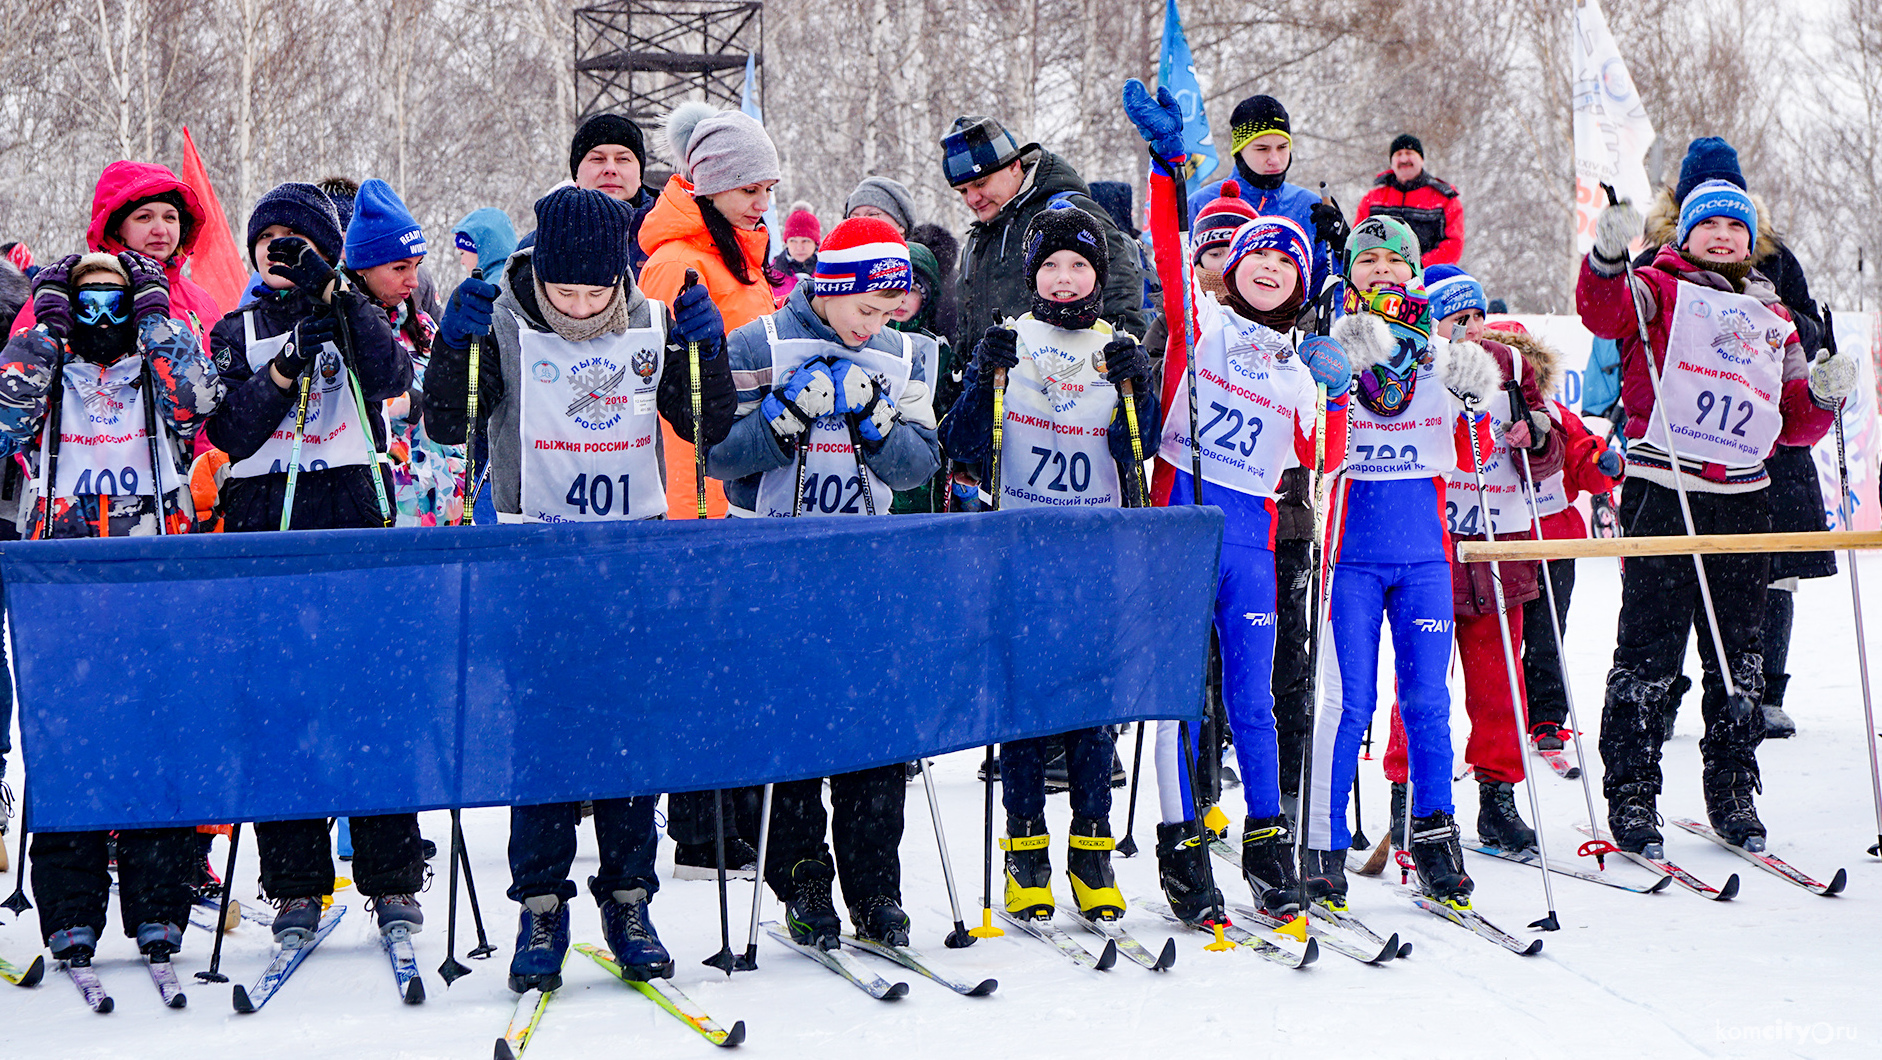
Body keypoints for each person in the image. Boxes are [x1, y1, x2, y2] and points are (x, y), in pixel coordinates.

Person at [423, 185, 733, 987]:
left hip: (628, 563)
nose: (584, 305)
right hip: (535, 563)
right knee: (547, 742)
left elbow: (708, 426)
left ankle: (629, 896)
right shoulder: (505, 320)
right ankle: (540, 906)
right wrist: (453, 351)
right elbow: (446, 425)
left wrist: (709, 354)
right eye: (567, 290)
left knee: (631, 738)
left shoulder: (647, 321)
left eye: (599, 291)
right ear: (542, 272)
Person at [1127, 83, 1353, 921]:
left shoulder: (1299, 368)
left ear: (1298, 280)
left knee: (1253, 700)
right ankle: (1184, 849)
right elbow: (1163, 237)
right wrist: (1166, 167)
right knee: (1182, 695)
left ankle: (1267, 841)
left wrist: (1334, 395)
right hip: (1181, 534)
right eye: (1256, 252)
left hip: (1252, 547)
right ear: (1232, 269)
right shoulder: (1201, 326)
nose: (1267, 262)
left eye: (1285, 258)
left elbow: (1316, 462)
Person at [1579, 181, 1852, 853]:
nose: (1724, 234)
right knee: (1650, 649)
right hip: (1662, 485)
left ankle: (1732, 786)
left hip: (1742, 494)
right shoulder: (1657, 286)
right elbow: (1602, 311)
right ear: (1684, 232)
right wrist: (1609, 256)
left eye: (1737, 224)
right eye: (1710, 225)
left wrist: (1821, 394)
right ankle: (1633, 792)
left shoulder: (1773, 313)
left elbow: (1792, 424)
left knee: (1739, 656)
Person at [705, 216, 940, 946]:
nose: (878, 324)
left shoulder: (906, 355)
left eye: (890, 310)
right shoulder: (758, 344)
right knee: (793, 731)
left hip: (866, 574)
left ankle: (876, 890)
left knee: (873, 737)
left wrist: (874, 420)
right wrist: (782, 417)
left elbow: (917, 466)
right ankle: (803, 879)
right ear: (831, 290)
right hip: (770, 570)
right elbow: (719, 457)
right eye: (866, 309)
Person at [204, 182, 422, 942]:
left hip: (353, 506)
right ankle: (296, 882)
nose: (282, 253)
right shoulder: (236, 328)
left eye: (299, 243)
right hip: (268, 516)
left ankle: (392, 875)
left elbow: (394, 378)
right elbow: (228, 431)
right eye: (271, 241)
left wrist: (334, 297)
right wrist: (282, 371)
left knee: (371, 698)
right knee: (282, 704)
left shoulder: (354, 308)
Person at [937, 201, 1158, 923]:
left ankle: (1091, 851)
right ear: (1034, 274)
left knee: (1092, 709)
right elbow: (964, 443)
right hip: (1021, 544)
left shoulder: (1113, 343)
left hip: (1093, 551)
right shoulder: (1009, 339)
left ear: (1097, 275)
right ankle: (1024, 851)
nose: (1064, 279)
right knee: (1025, 708)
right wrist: (981, 380)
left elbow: (1138, 451)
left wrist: (1137, 387)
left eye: (1079, 266)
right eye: (1052, 266)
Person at [1, 250, 219, 967]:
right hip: (64, 582)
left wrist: (157, 316)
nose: (102, 317)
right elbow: (4, 418)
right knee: (68, 745)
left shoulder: (156, 368)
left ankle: (160, 905)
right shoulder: (49, 366)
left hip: (153, 573)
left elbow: (201, 399)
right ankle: (69, 909)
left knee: (156, 736)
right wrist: (47, 330)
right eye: (85, 301)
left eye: (114, 301)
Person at [1300, 215, 1499, 906]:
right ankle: (1322, 843)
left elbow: (1475, 459)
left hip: (1424, 560)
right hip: (1350, 557)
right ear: (1350, 270)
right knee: (1347, 703)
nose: (1382, 270)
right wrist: (1334, 381)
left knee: (1426, 703)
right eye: (1369, 260)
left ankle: (1435, 838)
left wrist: (1478, 402)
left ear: (1414, 271)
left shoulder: (1441, 351)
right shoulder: (1331, 339)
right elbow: (1319, 455)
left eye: (1395, 260)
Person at [1639, 137, 1833, 740]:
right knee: (1667, 588)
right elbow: (1623, 324)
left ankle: (1762, 692)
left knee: (1767, 575)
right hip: (1681, 446)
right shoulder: (1659, 261)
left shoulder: (1772, 258)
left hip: (1762, 447)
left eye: (1735, 211)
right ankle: (1660, 694)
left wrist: (1768, 322)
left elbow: (1806, 326)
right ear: (1683, 204)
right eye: (1708, 206)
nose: (1723, 230)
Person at [638, 98, 784, 875]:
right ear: (711, 185)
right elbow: (664, 387)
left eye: (768, 188)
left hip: (740, 481)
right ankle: (702, 828)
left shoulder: (740, 251)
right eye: (750, 189)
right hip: (692, 486)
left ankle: (735, 813)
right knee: (702, 659)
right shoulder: (677, 261)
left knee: (735, 656)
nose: (765, 202)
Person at [1378, 266, 1563, 852]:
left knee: (1499, 687)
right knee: (1421, 683)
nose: (1474, 330)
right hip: (1434, 553)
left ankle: (1498, 799)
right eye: (1458, 320)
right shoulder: (1420, 371)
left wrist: (1534, 436)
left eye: (1479, 317)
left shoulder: (1511, 371)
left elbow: (1548, 454)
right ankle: (1408, 795)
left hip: (1499, 553)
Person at [1491, 320, 1625, 763]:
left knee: (1548, 632)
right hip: (1504, 540)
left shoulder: (1556, 413)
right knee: (1500, 638)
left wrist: (1605, 466)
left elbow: (1586, 462)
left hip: (1553, 544)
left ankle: (1546, 717)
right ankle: (1501, 717)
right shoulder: (1478, 414)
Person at [940, 114, 1147, 345]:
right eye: (963, 191)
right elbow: (967, 329)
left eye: (981, 183)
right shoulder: (979, 237)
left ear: (1014, 166)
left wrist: (1121, 361)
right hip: (994, 378)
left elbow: (1120, 300)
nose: (973, 199)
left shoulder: (1068, 212)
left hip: (1066, 375)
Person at [341, 180, 460, 527]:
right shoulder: (343, 325)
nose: (413, 280)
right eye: (400, 267)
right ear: (363, 265)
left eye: (417, 265)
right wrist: (408, 403)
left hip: (441, 514)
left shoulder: (421, 324)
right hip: (383, 516)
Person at [10, 161, 224, 345]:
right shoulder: (71, 291)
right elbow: (21, 373)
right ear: (116, 227)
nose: (161, 229)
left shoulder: (199, 301)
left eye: (170, 217)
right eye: (144, 217)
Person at [1185, 94, 1335, 297]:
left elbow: (1326, 285)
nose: (1275, 159)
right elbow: (1180, 276)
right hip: (1215, 323)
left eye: (1282, 147)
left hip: (1293, 326)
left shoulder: (1309, 205)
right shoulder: (1202, 203)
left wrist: (1342, 245)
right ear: (1239, 150)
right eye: (1262, 148)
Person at [1355, 134, 1463, 267]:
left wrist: (1416, 267)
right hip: (1381, 277)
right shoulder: (1372, 199)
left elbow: (1453, 245)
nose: (1404, 158)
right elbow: (1358, 240)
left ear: (1421, 159)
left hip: (1428, 278)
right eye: (1398, 154)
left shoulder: (1445, 199)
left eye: (1409, 153)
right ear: (1391, 161)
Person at [773, 202, 821, 298]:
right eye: (793, 241)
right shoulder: (771, 275)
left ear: (815, 243)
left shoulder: (829, 272)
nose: (799, 247)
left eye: (805, 241)